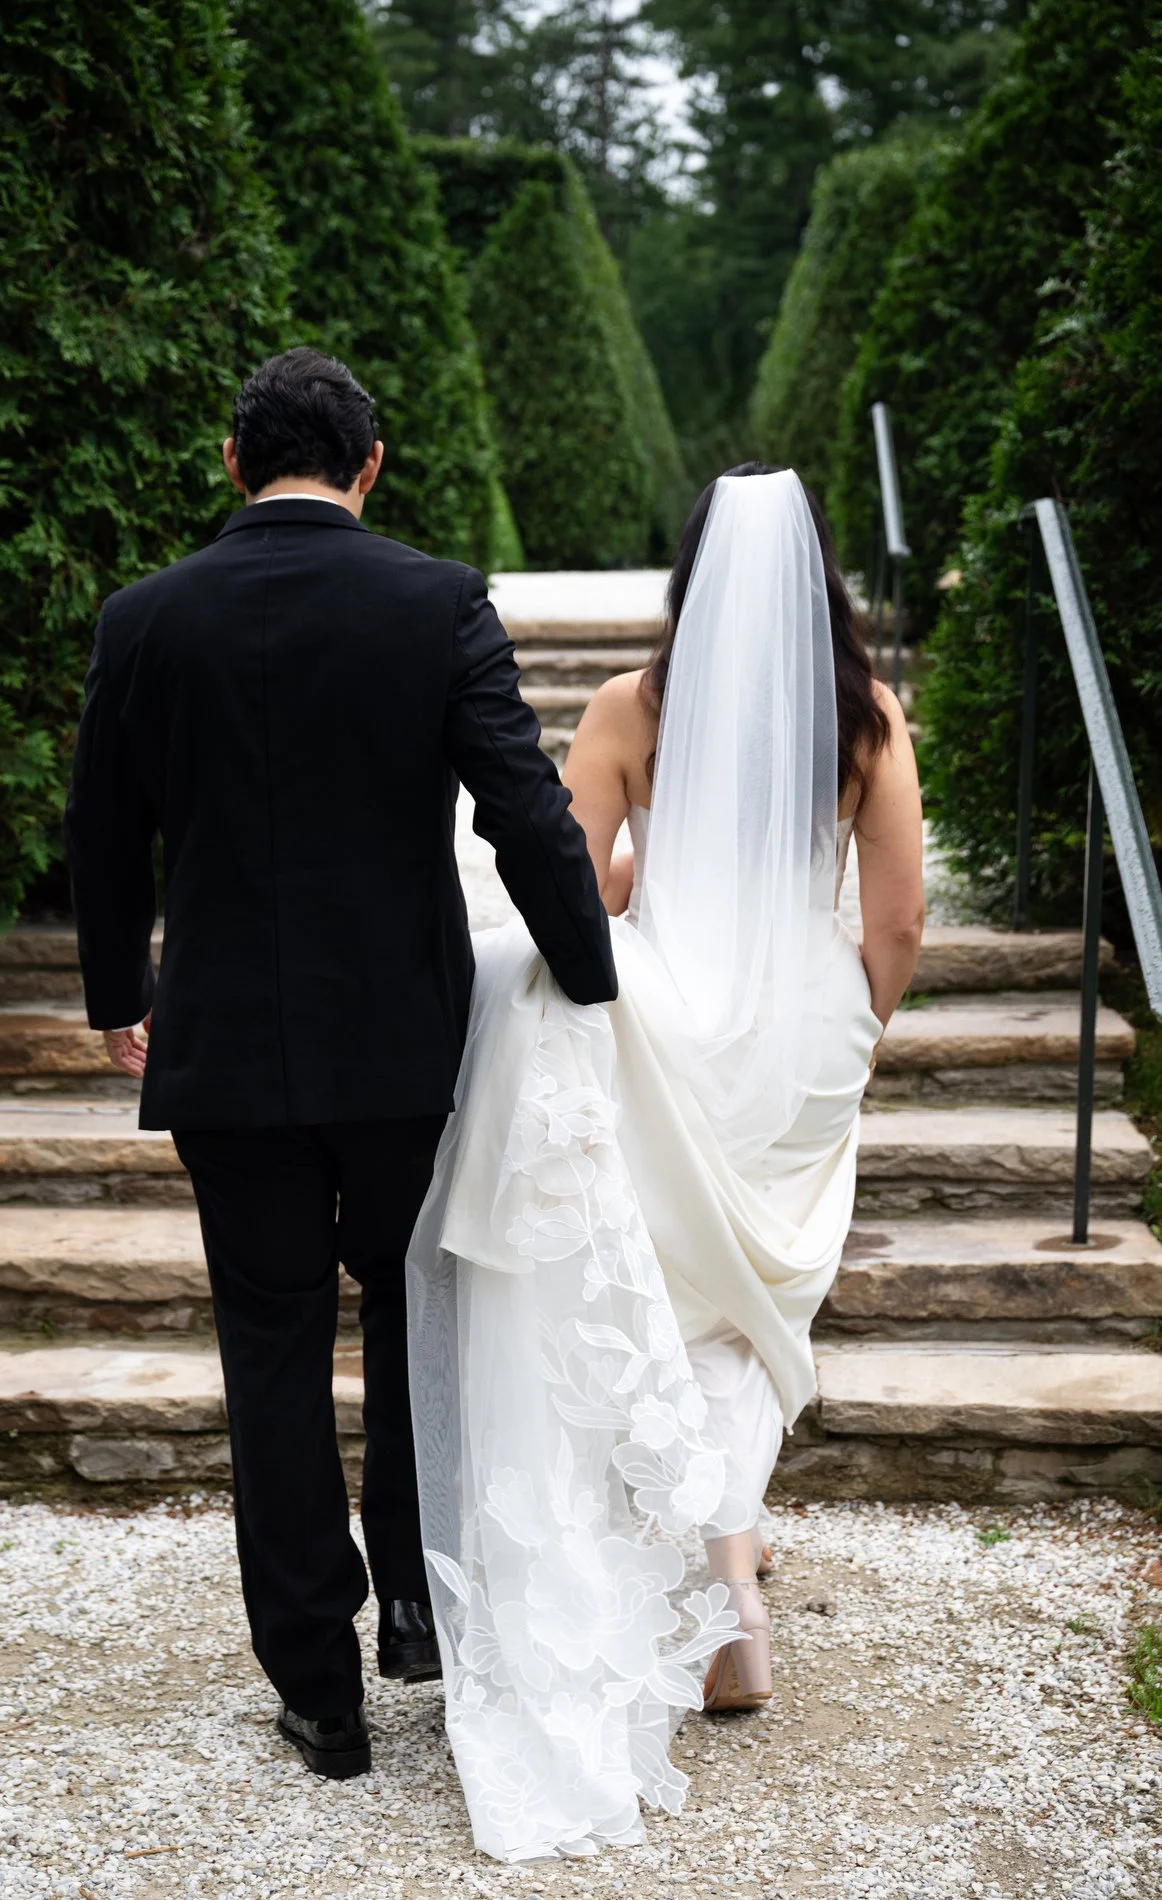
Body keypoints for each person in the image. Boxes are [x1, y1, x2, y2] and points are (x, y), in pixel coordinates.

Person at [63, 347, 617, 1783]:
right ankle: (423, 1622)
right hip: (405, 1050)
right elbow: (525, 811)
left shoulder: (142, 620)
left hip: (228, 1051)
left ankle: (317, 1694)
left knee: (269, 1355)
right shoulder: (435, 602)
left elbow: (105, 837)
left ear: (232, 462)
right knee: (414, 1329)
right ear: (369, 466)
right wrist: (591, 976)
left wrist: (118, 994)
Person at [406, 465, 924, 1860]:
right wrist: (853, 1035)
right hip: (798, 1043)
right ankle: (735, 1607)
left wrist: (643, 895)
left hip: (665, 1031)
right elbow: (896, 918)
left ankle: (717, 1599)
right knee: (756, 1309)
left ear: (690, 573)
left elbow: (568, 876)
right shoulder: (865, 718)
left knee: (672, 1294)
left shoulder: (631, 708)